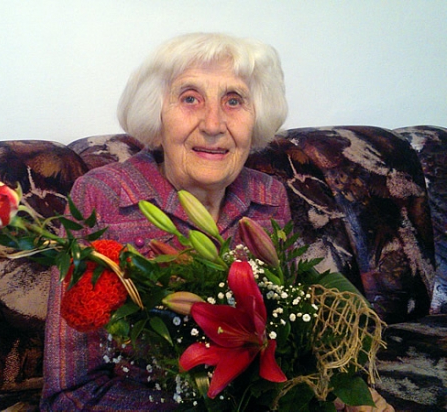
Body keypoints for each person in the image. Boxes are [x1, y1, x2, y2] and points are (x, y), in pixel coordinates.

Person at [40, 32, 392, 411]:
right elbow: (70, 392)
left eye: (234, 100)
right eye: (190, 98)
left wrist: (338, 396)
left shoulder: (269, 196)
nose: (213, 124)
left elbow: (290, 346)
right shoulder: (101, 196)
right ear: (157, 114)